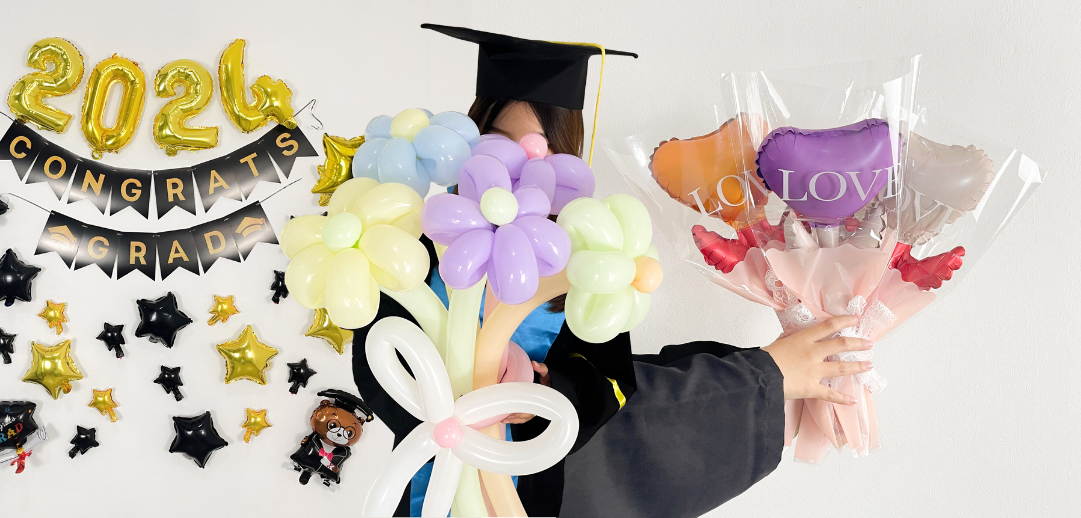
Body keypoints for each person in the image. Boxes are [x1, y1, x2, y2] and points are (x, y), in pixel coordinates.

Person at [351, 24, 874, 518]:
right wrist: (443, 393)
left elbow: (609, 380)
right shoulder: (419, 247)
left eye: (545, 148)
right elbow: (375, 361)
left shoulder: (585, 261)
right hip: (428, 478)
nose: (522, 162)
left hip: (534, 489)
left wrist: (540, 390)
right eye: (502, 140)